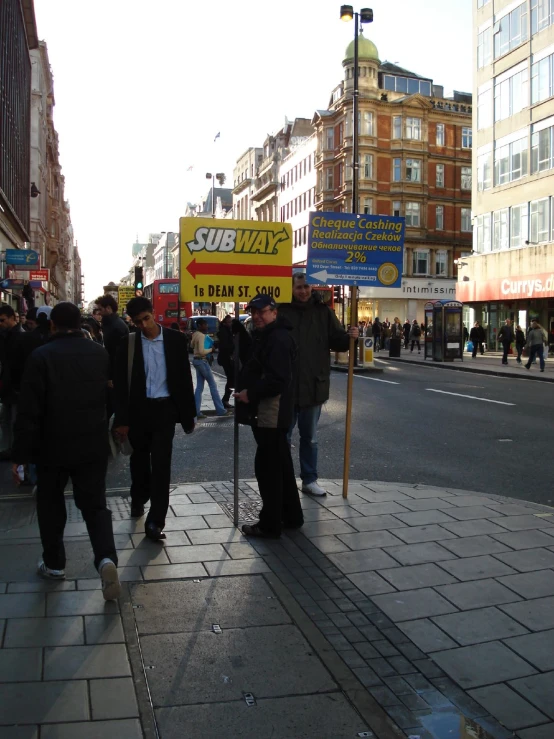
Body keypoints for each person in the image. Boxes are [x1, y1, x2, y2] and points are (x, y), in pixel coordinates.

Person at [11, 302, 120, 599]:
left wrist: (19, 456)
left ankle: (54, 563)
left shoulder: (41, 356)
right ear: (79, 323)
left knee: (50, 504)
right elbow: (111, 397)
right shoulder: (99, 353)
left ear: (53, 325)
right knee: (95, 506)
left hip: (51, 445)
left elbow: (29, 411)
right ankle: (106, 558)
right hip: (91, 443)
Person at [113, 297, 196, 541]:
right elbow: (120, 385)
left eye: (146, 319)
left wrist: (188, 415)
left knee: (161, 465)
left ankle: (155, 522)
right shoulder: (127, 344)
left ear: (154, 313)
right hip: (138, 412)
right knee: (139, 462)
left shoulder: (175, 340)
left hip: (165, 411)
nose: (143, 325)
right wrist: (122, 419)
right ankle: (138, 498)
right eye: (138, 322)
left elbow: (183, 379)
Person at [278, 273, 358, 497]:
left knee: (310, 438)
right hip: (286, 387)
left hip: (314, 386)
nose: (303, 291)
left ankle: (309, 479)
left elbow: (339, 343)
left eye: (306, 287)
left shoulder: (324, 313)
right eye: (298, 287)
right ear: (291, 288)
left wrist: (351, 336)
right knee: (282, 439)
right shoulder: (281, 311)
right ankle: (283, 480)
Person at [233, 294, 301, 538]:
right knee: (281, 465)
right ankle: (291, 516)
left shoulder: (278, 339)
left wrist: (250, 394)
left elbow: (278, 380)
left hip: (271, 413)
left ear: (274, 311)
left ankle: (270, 524)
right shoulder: (270, 336)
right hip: (271, 413)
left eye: (261, 311)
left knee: (268, 469)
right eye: (253, 312)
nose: (257, 316)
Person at [95, 295, 128, 416]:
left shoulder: (115, 327)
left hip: (114, 376)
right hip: (111, 373)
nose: (99, 312)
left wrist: (111, 377)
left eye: (100, 309)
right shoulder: (111, 323)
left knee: (111, 405)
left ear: (108, 308)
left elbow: (115, 354)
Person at [191, 318, 231, 419]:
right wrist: (211, 349)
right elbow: (201, 351)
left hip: (196, 361)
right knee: (213, 385)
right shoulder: (201, 336)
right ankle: (220, 410)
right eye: (205, 325)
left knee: (199, 387)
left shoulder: (195, 335)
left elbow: (191, 345)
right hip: (202, 361)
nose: (207, 326)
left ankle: (196, 411)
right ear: (200, 326)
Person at [0, 304, 24, 459]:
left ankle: (15, 450)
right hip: (7, 386)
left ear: (11, 318)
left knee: (14, 420)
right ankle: (8, 448)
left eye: (2, 320)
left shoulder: (20, 336)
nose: (0, 323)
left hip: (15, 387)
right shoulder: (4, 335)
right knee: (6, 420)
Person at [217, 315, 235, 409]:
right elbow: (226, 346)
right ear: (224, 323)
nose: (230, 324)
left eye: (231, 322)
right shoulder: (224, 332)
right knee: (231, 379)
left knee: (231, 379)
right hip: (226, 358)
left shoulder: (227, 331)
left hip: (227, 358)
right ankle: (225, 400)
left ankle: (226, 399)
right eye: (229, 322)